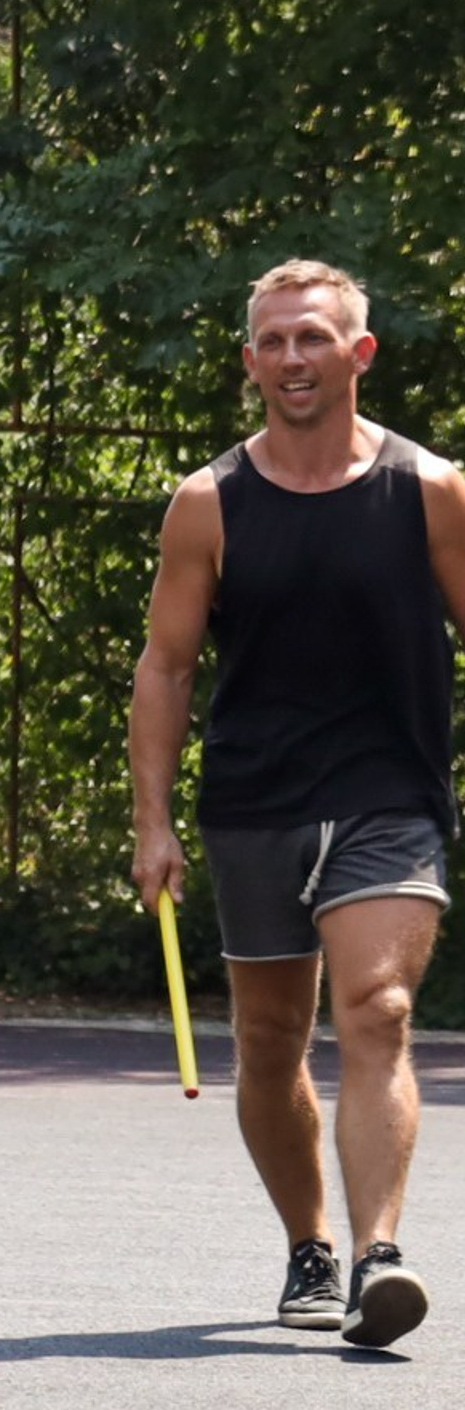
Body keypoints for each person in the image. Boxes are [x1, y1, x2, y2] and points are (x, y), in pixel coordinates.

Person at [130, 257, 465, 1345]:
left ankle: (379, 1259)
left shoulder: (431, 489)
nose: (290, 359)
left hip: (388, 790)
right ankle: (308, 1247)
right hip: (255, 795)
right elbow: (166, 666)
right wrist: (152, 822)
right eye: (271, 342)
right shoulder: (207, 502)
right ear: (248, 363)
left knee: (376, 1010)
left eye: (311, 337)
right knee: (271, 1038)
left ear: (357, 352)